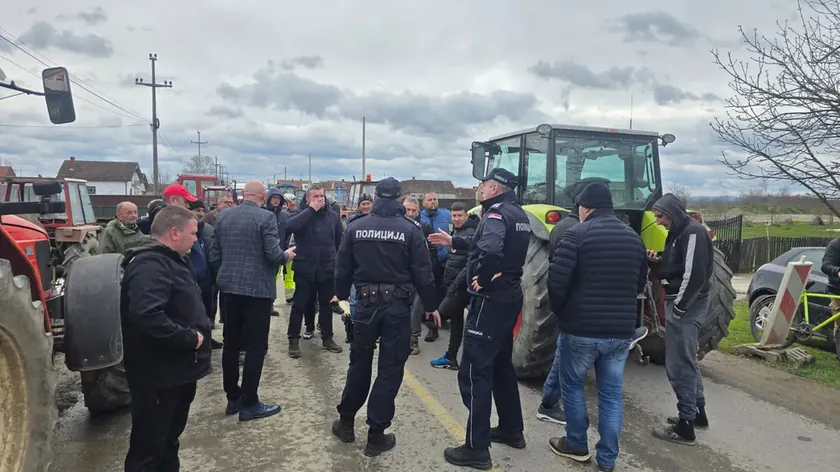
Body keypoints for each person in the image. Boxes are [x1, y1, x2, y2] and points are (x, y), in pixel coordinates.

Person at [331, 177, 440, 457]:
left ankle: (346, 423)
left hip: (365, 306)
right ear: (400, 197)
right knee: (390, 368)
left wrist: (341, 294)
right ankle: (376, 434)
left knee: (360, 363)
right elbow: (423, 272)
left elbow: (342, 266)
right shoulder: (411, 229)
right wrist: (430, 305)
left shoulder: (356, 226)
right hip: (398, 308)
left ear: (376, 195)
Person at [544, 181, 647, 470]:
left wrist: (562, 315)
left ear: (585, 208)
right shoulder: (634, 239)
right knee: (611, 395)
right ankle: (607, 458)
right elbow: (638, 284)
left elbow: (556, 282)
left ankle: (576, 444)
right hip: (619, 334)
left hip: (580, 330)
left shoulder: (576, 235)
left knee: (574, 387)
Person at [432, 168, 530, 470]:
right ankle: (512, 430)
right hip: (509, 297)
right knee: (501, 365)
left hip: (491, 300)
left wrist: (483, 279)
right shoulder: (518, 213)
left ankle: (476, 448)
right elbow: (484, 242)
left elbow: (489, 248)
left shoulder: (497, 213)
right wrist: (455, 242)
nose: (480, 190)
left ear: (494, 188)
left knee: (474, 371)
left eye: (484, 185)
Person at [120, 205, 212, 472]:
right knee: (149, 449)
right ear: (174, 232)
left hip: (175, 374)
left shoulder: (169, 260)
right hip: (159, 378)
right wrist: (189, 339)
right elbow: (146, 315)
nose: (196, 239)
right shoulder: (150, 265)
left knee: (167, 442)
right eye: (193, 233)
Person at [209, 180, 296, 422]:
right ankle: (250, 402)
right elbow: (273, 253)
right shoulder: (266, 218)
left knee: (231, 343)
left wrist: (226, 275)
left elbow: (214, 255)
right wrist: (286, 255)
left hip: (229, 290)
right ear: (263, 196)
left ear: (243, 195)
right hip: (257, 291)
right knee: (257, 346)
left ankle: (232, 398)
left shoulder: (224, 217)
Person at [649, 193, 714, 446]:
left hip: (686, 305)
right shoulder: (678, 232)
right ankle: (697, 414)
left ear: (673, 212)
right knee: (687, 359)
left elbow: (695, 275)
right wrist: (659, 261)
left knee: (678, 365)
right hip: (683, 302)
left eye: (661, 216)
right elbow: (679, 266)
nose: (658, 222)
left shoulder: (694, 232)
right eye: (656, 217)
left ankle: (685, 427)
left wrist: (677, 309)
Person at [284, 183, 345, 357]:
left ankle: (327, 337)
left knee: (327, 305)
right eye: (315, 197)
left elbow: (339, 240)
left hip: (326, 268)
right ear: (308, 199)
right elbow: (289, 227)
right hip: (305, 269)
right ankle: (293, 339)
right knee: (300, 305)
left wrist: (336, 261)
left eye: (321, 196)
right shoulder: (301, 214)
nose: (319, 200)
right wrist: (310, 210)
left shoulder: (332, 217)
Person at [429, 203, 479, 370]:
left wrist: (455, 286)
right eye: (454, 216)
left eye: (460, 216)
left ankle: (468, 362)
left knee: (440, 316)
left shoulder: (471, 233)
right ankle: (451, 358)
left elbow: (469, 265)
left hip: (462, 288)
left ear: (466, 215)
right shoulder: (456, 232)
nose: (457, 219)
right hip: (453, 285)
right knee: (457, 324)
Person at [188, 199, 223, 350]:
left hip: (208, 278)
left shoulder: (206, 229)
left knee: (209, 309)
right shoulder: (187, 230)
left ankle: (208, 338)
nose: (200, 213)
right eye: (197, 210)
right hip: (193, 280)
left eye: (202, 210)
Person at [404, 196, 437, 354]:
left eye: (413, 210)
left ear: (418, 212)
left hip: (417, 275)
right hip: (401, 275)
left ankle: (413, 339)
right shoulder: (398, 226)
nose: (410, 213)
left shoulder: (424, 226)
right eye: (407, 210)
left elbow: (432, 250)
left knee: (416, 308)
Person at [346, 193, 374, 324]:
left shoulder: (377, 220)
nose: (366, 206)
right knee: (354, 299)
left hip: (372, 264)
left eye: (368, 203)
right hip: (355, 264)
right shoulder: (352, 221)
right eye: (363, 204)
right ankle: (353, 326)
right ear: (359, 206)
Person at [262, 188, 288, 317]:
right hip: (265, 253)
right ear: (268, 199)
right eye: (274, 198)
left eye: (278, 198)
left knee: (273, 280)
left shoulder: (284, 215)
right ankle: (265, 304)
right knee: (265, 279)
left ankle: (270, 303)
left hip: (280, 251)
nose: (276, 201)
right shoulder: (263, 213)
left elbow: (288, 233)